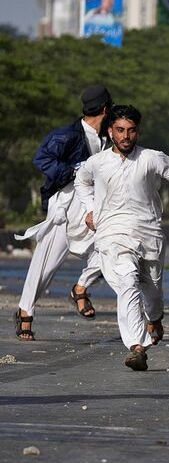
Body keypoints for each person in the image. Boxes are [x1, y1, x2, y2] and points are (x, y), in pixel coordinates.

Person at [75, 105, 169, 371]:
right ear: (111, 131)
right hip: (113, 235)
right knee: (128, 282)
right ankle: (137, 346)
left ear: (137, 132)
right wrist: (89, 209)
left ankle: (155, 318)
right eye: (120, 130)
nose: (125, 136)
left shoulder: (152, 158)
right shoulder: (97, 163)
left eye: (130, 131)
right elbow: (81, 181)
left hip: (149, 235)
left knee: (152, 292)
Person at [14, 85, 111, 341]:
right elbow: (42, 159)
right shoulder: (68, 134)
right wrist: (74, 170)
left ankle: (80, 289)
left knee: (110, 251)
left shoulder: (109, 138)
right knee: (44, 266)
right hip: (66, 207)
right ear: (105, 109)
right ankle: (25, 311)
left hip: (94, 208)